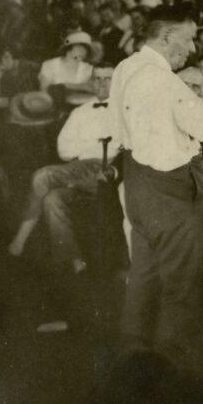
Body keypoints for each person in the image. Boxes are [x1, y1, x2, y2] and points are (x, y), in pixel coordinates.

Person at [109, 9, 203, 366]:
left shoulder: (124, 68)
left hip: (138, 184)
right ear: (164, 38)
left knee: (144, 272)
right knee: (181, 279)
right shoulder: (164, 80)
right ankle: (172, 360)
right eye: (187, 38)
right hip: (170, 188)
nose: (192, 48)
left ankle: (133, 348)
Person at [7, 64, 119, 271]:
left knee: (42, 176)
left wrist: (86, 145)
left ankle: (19, 241)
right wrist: (96, 143)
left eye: (108, 78)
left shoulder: (127, 111)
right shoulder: (80, 112)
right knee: (52, 199)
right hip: (79, 168)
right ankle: (75, 260)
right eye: (97, 79)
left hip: (108, 170)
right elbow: (64, 150)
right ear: (91, 82)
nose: (102, 84)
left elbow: (122, 149)